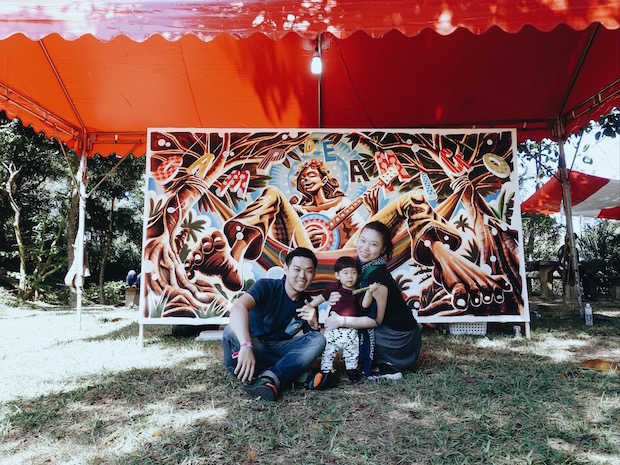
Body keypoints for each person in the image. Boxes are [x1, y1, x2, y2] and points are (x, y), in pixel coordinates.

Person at [221, 247, 326, 401]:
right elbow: (238, 308)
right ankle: (292, 375)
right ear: (286, 269)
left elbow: (309, 348)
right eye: (297, 269)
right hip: (251, 348)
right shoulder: (266, 286)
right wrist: (246, 345)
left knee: (319, 339)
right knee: (231, 331)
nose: (302, 276)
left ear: (314, 274)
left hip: (277, 349)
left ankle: (269, 377)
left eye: (308, 271)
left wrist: (314, 324)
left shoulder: (308, 304)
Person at [324, 221, 422, 380]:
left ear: (383, 249)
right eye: (362, 240)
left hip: (400, 341)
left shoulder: (378, 279)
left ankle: (386, 367)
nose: (365, 248)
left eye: (373, 244)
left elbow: (375, 320)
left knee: (351, 329)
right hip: (394, 334)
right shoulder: (359, 267)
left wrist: (341, 321)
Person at [302, 256, 380, 387]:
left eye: (353, 273)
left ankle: (352, 371)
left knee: (352, 352)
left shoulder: (359, 290)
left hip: (350, 329)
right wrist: (310, 306)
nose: (350, 276)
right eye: (346, 273)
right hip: (333, 329)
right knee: (328, 351)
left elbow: (365, 305)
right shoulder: (335, 286)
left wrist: (369, 292)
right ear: (337, 275)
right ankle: (326, 372)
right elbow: (322, 297)